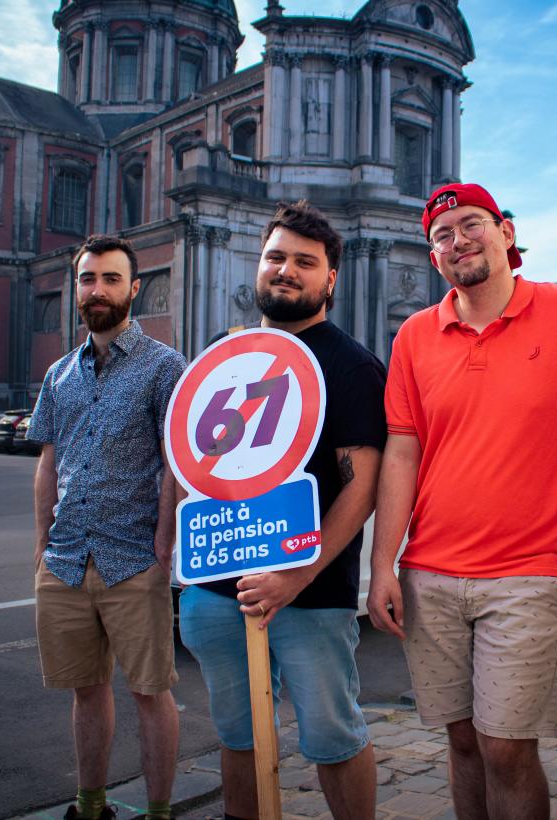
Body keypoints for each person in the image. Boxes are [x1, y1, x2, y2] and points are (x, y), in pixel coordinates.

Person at [368, 182, 557, 820]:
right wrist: (382, 567)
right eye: (442, 236)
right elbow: (402, 451)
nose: (458, 241)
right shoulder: (415, 337)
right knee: (462, 743)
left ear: (506, 232)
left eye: (471, 223)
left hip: (533, 568)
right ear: (435, 259)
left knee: (507, 748)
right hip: (431, 571)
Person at [178, 201, 386, 820]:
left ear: (331, 279)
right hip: (217, 589)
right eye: (276, 257)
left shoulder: (351, 365)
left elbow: (362, 487)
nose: (286, 271)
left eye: (305, 261)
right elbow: (196, 459)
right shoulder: (227, 351)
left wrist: (298, 575)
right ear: (259, 265)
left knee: (333, 739)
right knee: (238, 739)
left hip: (309, 595)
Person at [29, 235, 186, 820]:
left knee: (151, 692)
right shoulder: (59, 375)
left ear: (134, 288)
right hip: (66, 561)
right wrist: (42, 546)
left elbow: (178, 461)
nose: (98, 290)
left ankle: (160, 810)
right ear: (77, 287)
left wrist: (163, 546)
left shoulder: (164, 367)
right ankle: (90, 805)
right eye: (88, 278)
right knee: (85, 690)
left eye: (111, 279)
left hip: (132, 560)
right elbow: (50, 462)